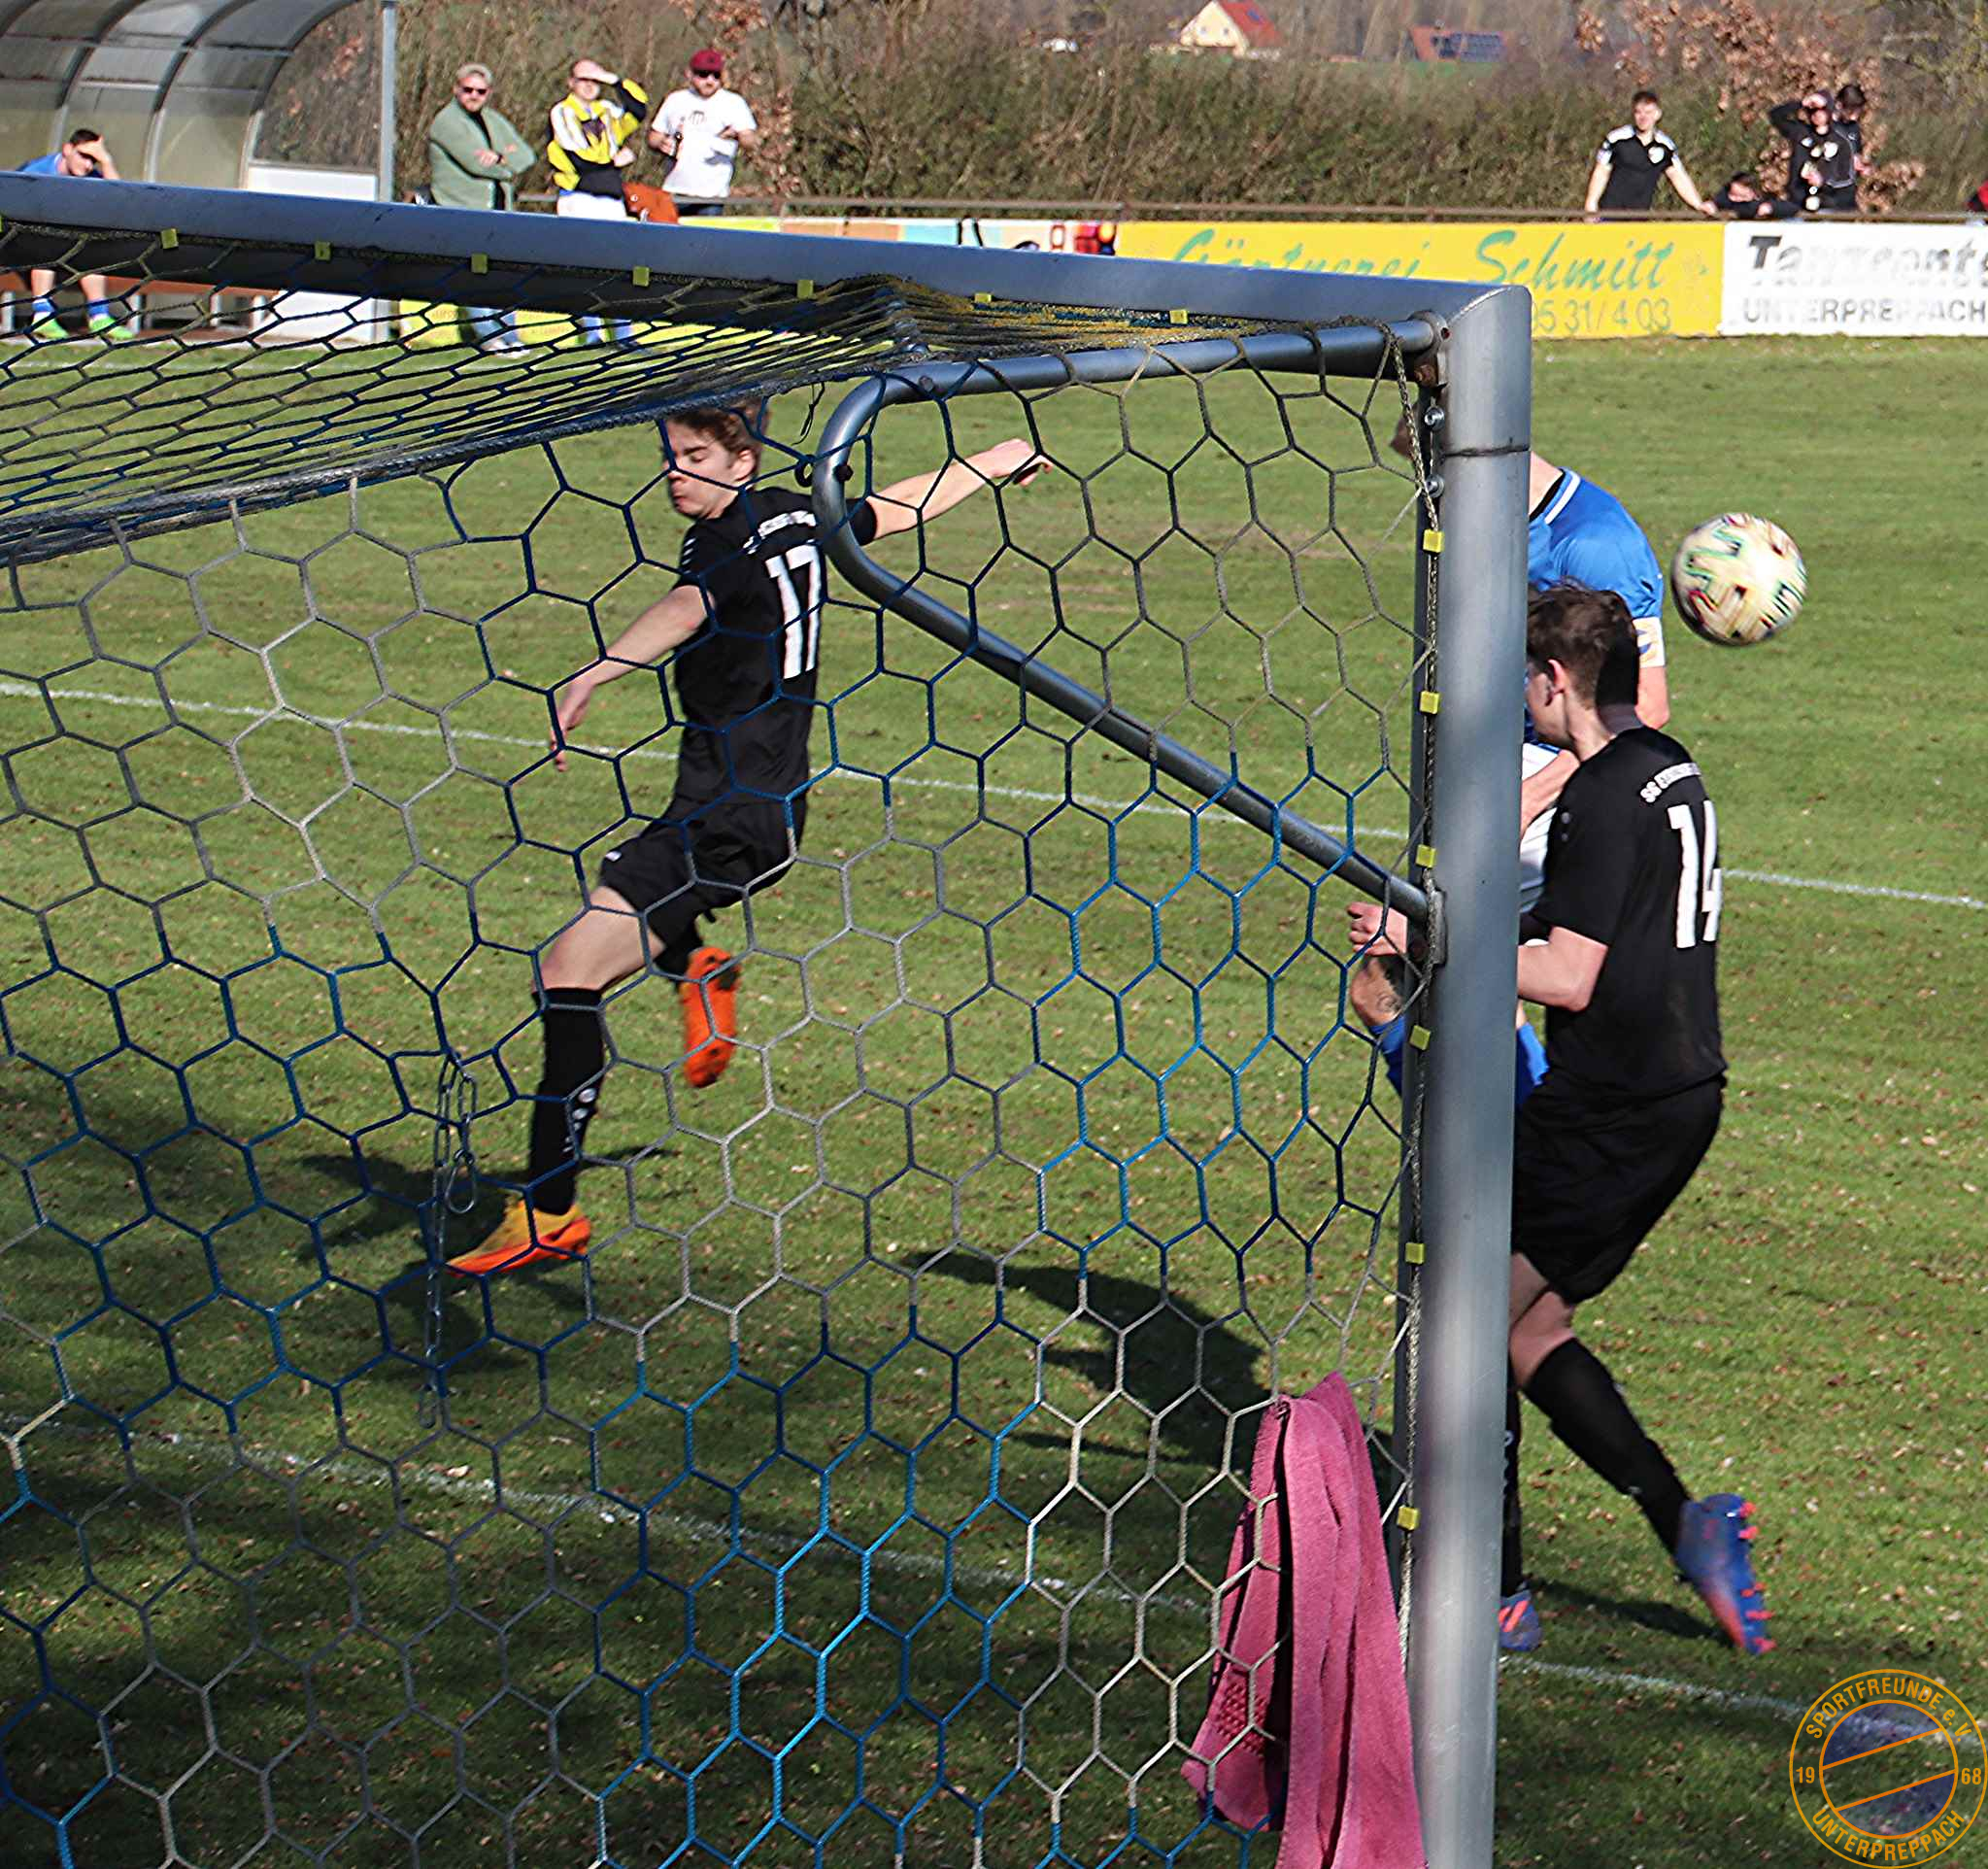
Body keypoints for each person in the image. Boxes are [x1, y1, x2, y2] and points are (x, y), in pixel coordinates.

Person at [448, 406, 1051, 1276]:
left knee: (566, 976)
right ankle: (692, 966)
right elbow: (894, 505)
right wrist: (996, 457)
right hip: (759, 807)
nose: (676, 472)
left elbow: (686, 606)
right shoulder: (797, 514)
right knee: (595, 931)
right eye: (669, 456)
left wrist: (596, 672)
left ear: (743, 459)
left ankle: (549, 1214)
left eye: (695, 455)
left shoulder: (723, 540)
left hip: (725, 817)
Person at [1349, 587, 1772, 1658]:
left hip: (1610, 1110)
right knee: (1525, 1330)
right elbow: (1586, 913)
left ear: (1550, 680)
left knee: (1462, 1317)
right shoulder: (1666, 767)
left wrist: (1429, 946)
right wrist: (1426, 918)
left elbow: (1566, 975)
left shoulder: (1595, 798)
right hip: (1676, 1094)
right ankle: (1678, 1525)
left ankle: (1490, 1589)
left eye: (1524, 685)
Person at [426, 63, 534, 353]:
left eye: (481, 91)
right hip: (463, 211)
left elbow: (526, 156)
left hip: (498, 211)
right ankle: (489, 337)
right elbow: (475, 164)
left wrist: (498, 157)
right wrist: (506, 162)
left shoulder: (493, 119)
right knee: (475, 275)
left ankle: (510, 335)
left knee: (503, 275)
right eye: (468, 90)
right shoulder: (446, 122)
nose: (474, 95)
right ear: (456, 89)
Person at [546, 57, 649, 342]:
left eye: (595, 80)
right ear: (571, 82)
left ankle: (623, 335)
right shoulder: (563, 111)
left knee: (620, 268)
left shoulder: (607, 111)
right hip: (579, 198)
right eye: (584, 79)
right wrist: (614, 162)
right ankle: (592, 335)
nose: (590, 85)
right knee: (584, 268)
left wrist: (613, 79)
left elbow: (639, 109)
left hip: (610, 199)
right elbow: (579, 158)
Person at [12, 131, 123, 337]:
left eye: (93, 160)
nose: (88, 165)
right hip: (22, 241)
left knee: (93, 249)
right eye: (84, 156)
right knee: (46, 245)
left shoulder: (91, 176)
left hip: (67, 244)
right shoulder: (36, 173)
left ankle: (99, 317)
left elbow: (121, 198)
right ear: (67, 149)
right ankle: (43, 316)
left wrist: (106, 162)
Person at [647, 48, 758, 217]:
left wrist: (739, 136)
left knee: (707, 234)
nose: (710, 81)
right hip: (674, 190)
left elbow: (750, 139)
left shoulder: (733, 103)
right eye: (703, 74)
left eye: (716, 75)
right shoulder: (675, 100)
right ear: (690, 74)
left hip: (712, 196)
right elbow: (653, 136)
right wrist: (661, 143)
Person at [1584, 90, 1715, 219]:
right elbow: (1601, 171)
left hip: (1641, 218)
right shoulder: (1616, 139)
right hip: (1609, 214)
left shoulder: (1665, 146)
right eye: (1638, 112)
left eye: (1648, 112)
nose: (1643, 117)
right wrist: (1591, 204)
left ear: (1658, 114)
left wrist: (1698, 204)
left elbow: (1678, 176)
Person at [1769, 88, 1857, 215]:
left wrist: (1823, 181)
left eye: (1821, 110)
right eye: (1812, 110)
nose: (1816, 114)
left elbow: (1845, 177)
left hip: (1829, 204)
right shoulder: (1800, 132)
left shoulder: (1840, 140)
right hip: (1798, 201)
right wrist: (1803, 103)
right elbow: (1775, 116)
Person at [1710, 170, 1797, 220]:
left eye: (1743, 185)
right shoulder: (1723, 197)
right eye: (1736, 183)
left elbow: (1793, 208)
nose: (1735, 186)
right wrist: (1711, 205)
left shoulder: (1760, 202)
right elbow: (1716, 203)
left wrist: (1771, 207)